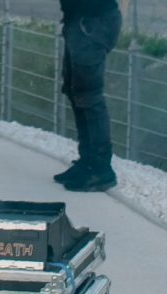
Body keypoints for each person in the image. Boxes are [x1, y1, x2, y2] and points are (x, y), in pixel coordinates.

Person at [54, 0, 121, 192]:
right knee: (76, 92)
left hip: (92, 23)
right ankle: (88, 163)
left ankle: (101, 169)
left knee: (89, 96)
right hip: (81, 21)